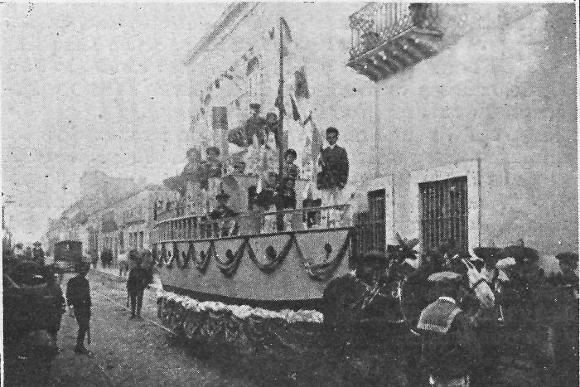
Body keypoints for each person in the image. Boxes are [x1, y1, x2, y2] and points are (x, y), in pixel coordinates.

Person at [417, 271, 481, 386]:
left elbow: (423, 345)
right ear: (456, 291)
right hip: (454, 376)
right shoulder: (457, 315)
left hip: (434, 376)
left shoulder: (426, 311)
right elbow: (471, 348)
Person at [66, 262, 92, 354]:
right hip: (78, 307)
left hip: (85, 308)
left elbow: (87, 296)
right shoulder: (72, 281)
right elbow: (69, 296)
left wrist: (89, 308)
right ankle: (79, 346)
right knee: (83, 326)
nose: (85, 272)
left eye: (86, 270)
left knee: (83, 326)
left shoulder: (85, 281)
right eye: (84, 269)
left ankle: (79, 345)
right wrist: (71, 308)